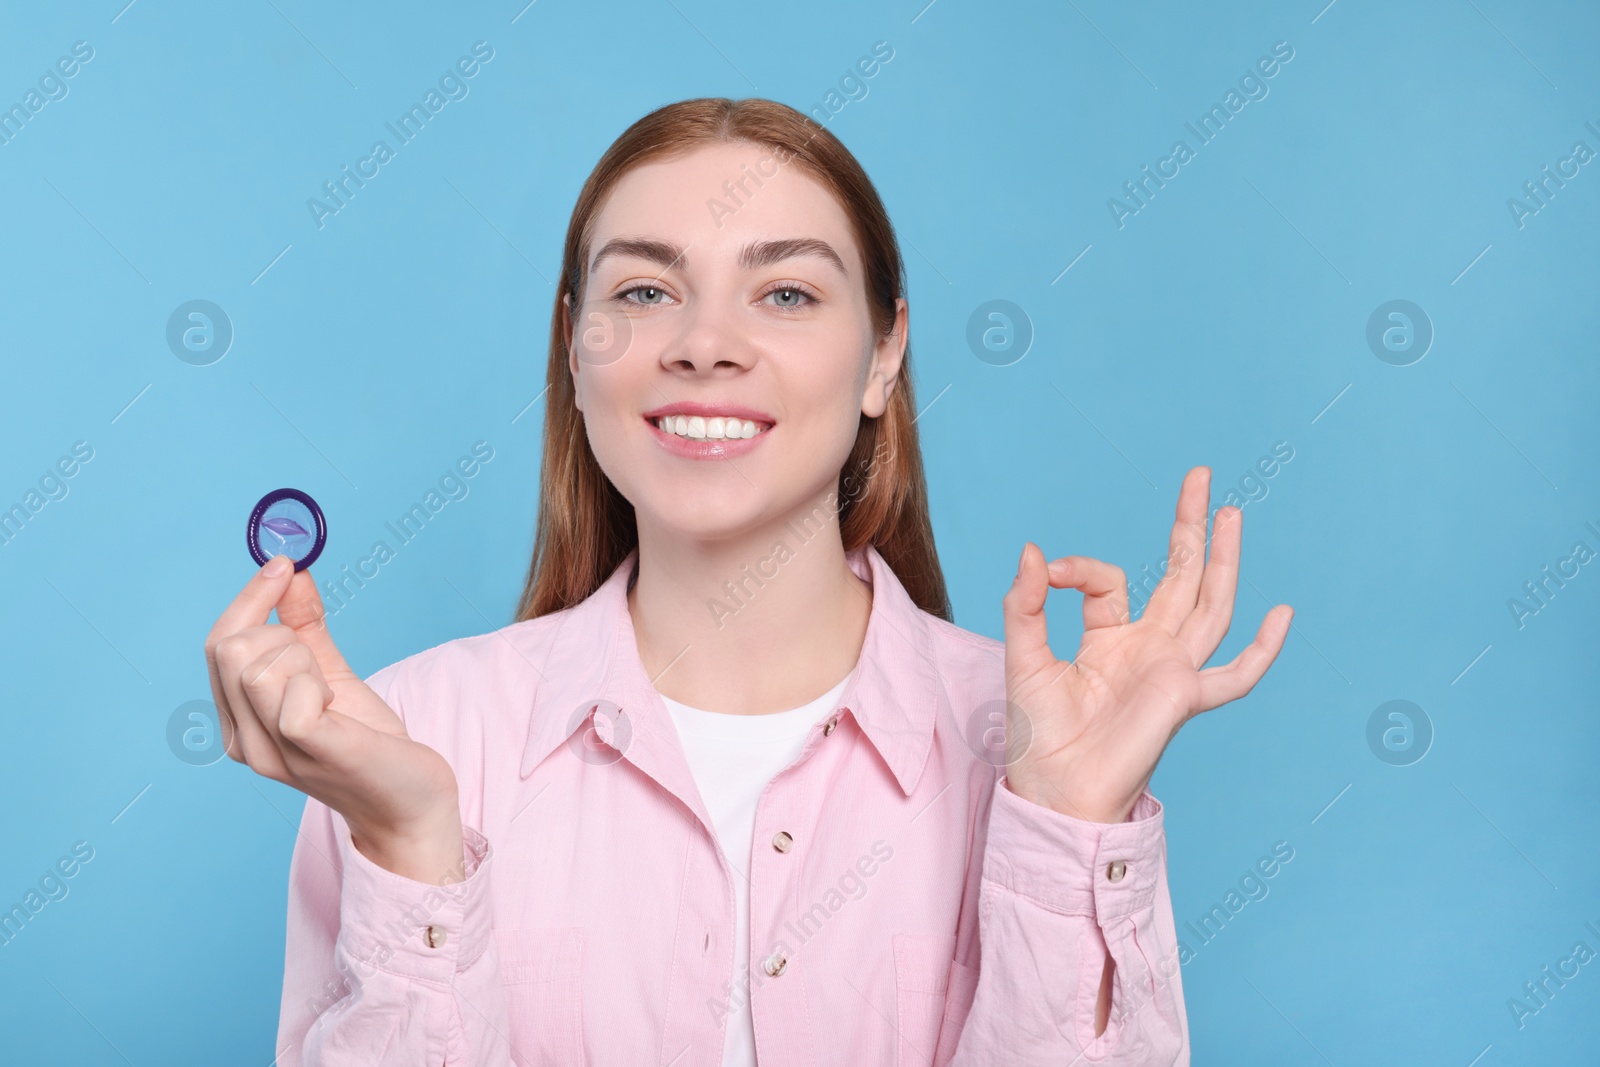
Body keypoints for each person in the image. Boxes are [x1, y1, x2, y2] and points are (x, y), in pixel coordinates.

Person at [206, 97, 1291, 1066]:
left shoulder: (1023, 747)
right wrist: (408, 846)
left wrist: (1066, 828)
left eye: (783, 291)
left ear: (883, 354)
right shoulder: (414, 734)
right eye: (643, 288)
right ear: (576, 345)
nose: (704, 342)